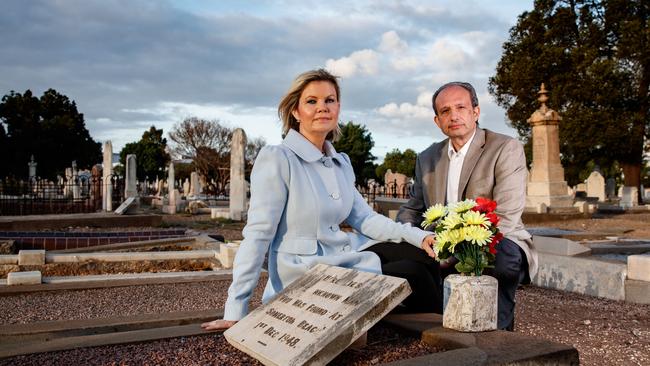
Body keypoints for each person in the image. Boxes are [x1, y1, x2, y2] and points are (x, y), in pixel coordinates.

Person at [201, 69, 436, 331]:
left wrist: (420, 236)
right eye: (311, 101)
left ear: (338, 107)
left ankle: (418, 322)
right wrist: (236, 307)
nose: (322, 108)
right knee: (415, 274)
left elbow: (365, 218)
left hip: (342, 258)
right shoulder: (278, 159)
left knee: (423, 255)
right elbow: (258, 234)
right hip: (305, 272)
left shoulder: (340, 162)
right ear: (295, 111)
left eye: (330, 100)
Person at [371, 81, 538, 331]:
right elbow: (413, 209)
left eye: (461, 107)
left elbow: (505, 215)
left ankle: (499, 335)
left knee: (501, 258)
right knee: (383, 254)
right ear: (437, 121)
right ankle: (438, 322)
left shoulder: (504, 147)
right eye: (445, 111)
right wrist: (411, 235)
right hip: (438, 243)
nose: (454, 115)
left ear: (476, 112)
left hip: (495, 239)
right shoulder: (427, 157)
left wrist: (456, 251)